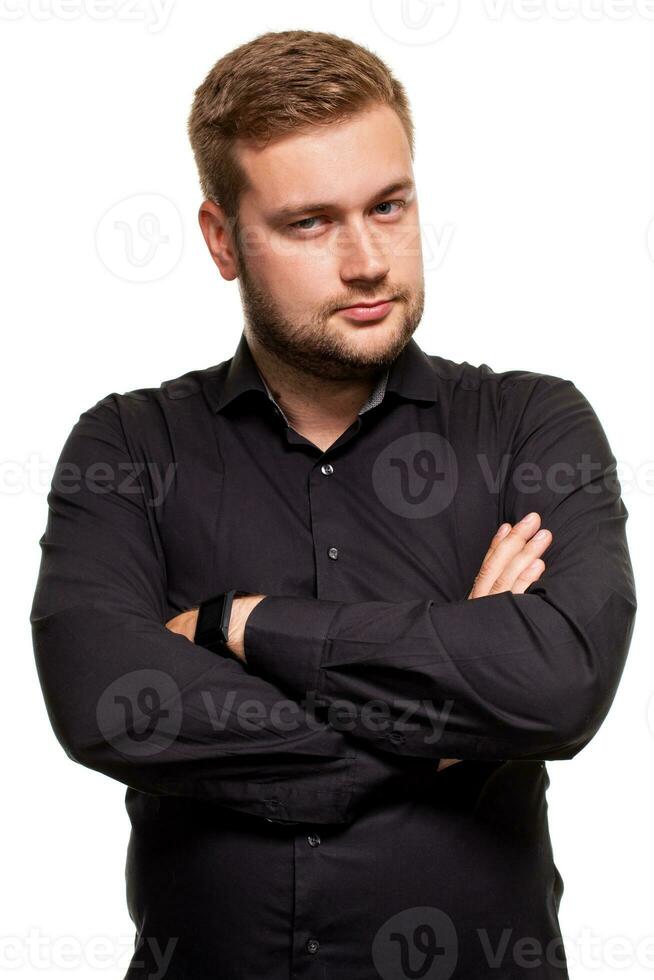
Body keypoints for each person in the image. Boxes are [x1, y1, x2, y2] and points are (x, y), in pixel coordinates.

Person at [30, 29, 637, 979]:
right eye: (310, 223)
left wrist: (243, 625)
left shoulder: (531, 425)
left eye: (388, 206)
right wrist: (446, 721)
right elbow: (107, 703)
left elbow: (557, 684)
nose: (367, 261)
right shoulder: (127, 448)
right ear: (222, 239)